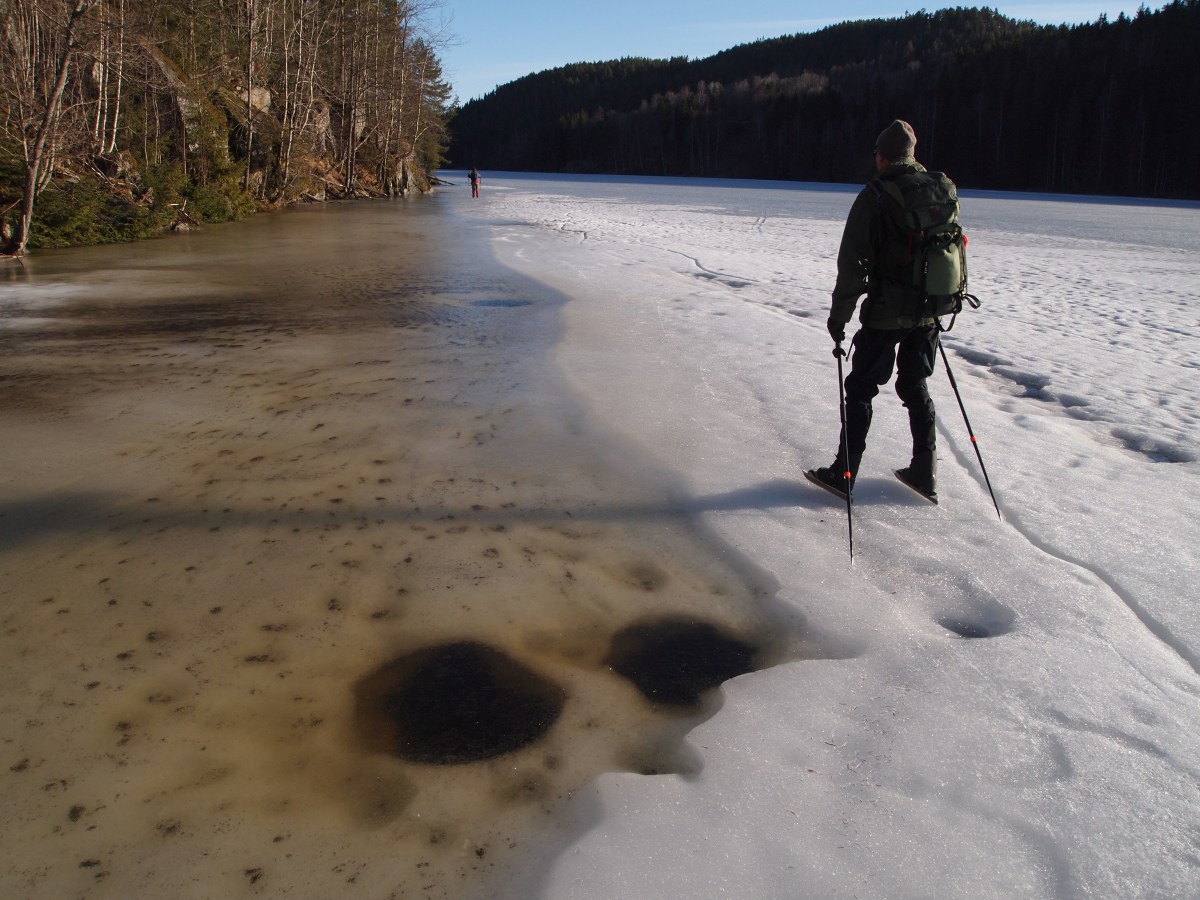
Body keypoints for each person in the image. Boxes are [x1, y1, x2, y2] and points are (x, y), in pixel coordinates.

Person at [806, 119, 948, 505]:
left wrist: (840, 316)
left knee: (861, 389)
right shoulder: (939, 189)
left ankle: (844, 473)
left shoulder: (877, 194)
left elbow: (853, 264)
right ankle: (925, 470)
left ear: (883, 156)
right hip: (929, 309)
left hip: (888, 311)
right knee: (914, 383)